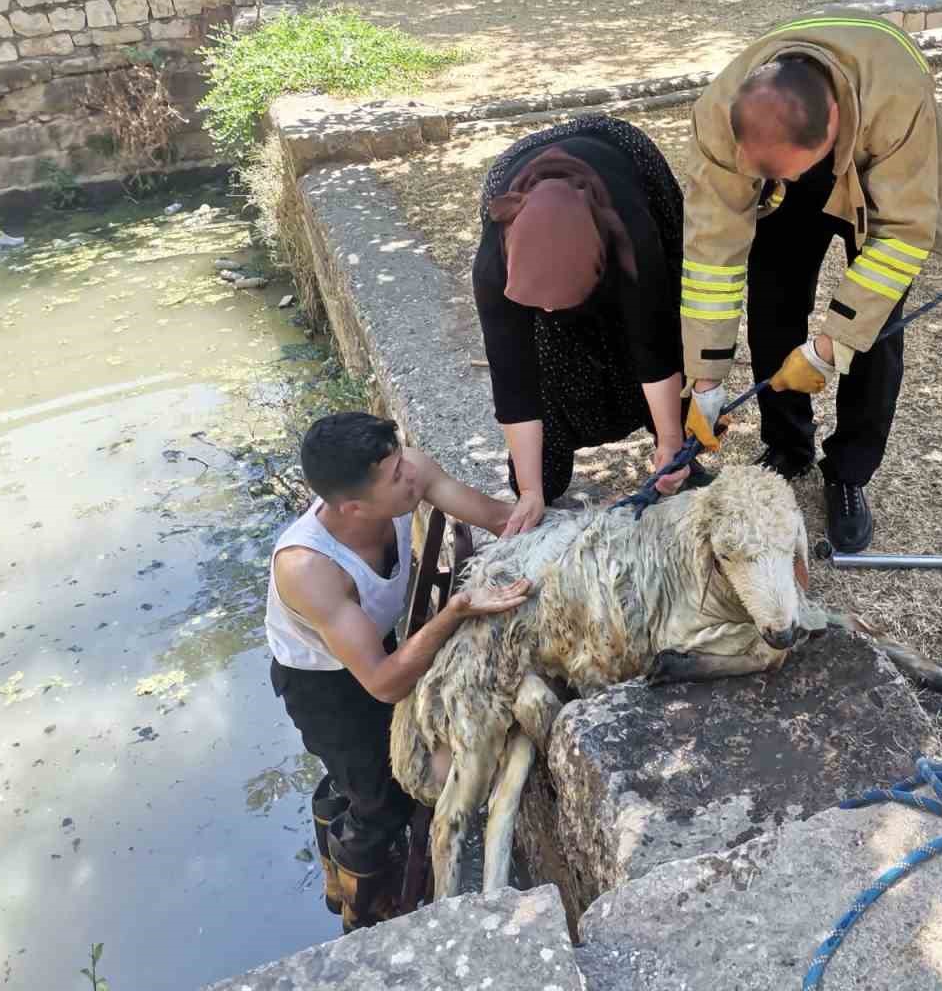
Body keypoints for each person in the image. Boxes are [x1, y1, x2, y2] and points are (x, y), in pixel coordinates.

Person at [681, 10, 942, 554]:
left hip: (877, 177)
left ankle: (849, 473)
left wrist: (831, 344)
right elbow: (711, 253)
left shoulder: (898, 99)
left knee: (872, 337)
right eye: (768, 173)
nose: (780, 181)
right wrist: (707, 377)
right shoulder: (718, 114)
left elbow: (904, 232)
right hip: (789, 164)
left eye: (787, 170)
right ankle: (787, 447)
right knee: (772, 308)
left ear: (831, 123)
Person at [265, 411, 530, 931]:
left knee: (365, 770)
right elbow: (385, 684)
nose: (411, 475)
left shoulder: (404, 473)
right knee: (380, 799)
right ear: (353, 507)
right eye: (395, 476)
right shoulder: (309, 568)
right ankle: (362, 914)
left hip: (372, 642)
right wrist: (456, 611)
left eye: (402, 458)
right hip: (320, 681)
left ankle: (338, 815)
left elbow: (502, 519)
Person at [473, 114, 700, 537]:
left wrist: (669, 441)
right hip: (524, 179)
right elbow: (512, 376)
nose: (553, 316)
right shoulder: (494, 262)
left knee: (658, 332)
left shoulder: (632, 237)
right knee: (541, 471)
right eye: (543, 309)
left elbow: (654, 347)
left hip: (620, 159)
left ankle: (674, 446)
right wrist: (529, 491)